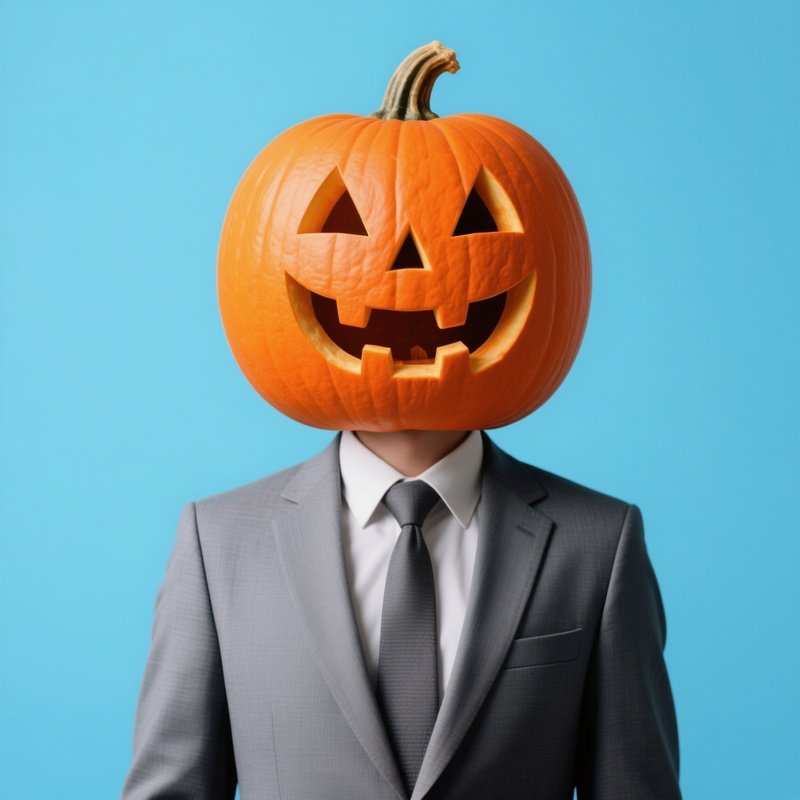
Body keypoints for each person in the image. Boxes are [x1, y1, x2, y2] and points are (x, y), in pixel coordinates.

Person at [123, 41, 680, 799]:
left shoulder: (599, 545)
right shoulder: (217, 546)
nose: (412, 266)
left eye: (475, 220)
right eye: (346, 223)